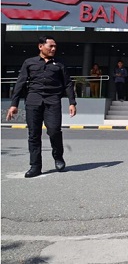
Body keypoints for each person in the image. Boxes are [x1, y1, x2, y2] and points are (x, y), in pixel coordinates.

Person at [6, 36, 77, 178]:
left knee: (54, 131)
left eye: (55, 46)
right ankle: (35, 166)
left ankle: (58, 157)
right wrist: (14, 104)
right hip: (33, 101)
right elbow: (20, 83)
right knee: (33, 135)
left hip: (53, 101)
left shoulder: (60, 64)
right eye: (50, 46)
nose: (53, 49)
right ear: (40, 46)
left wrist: (72, 102)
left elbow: (68, 83)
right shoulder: (29, 62)